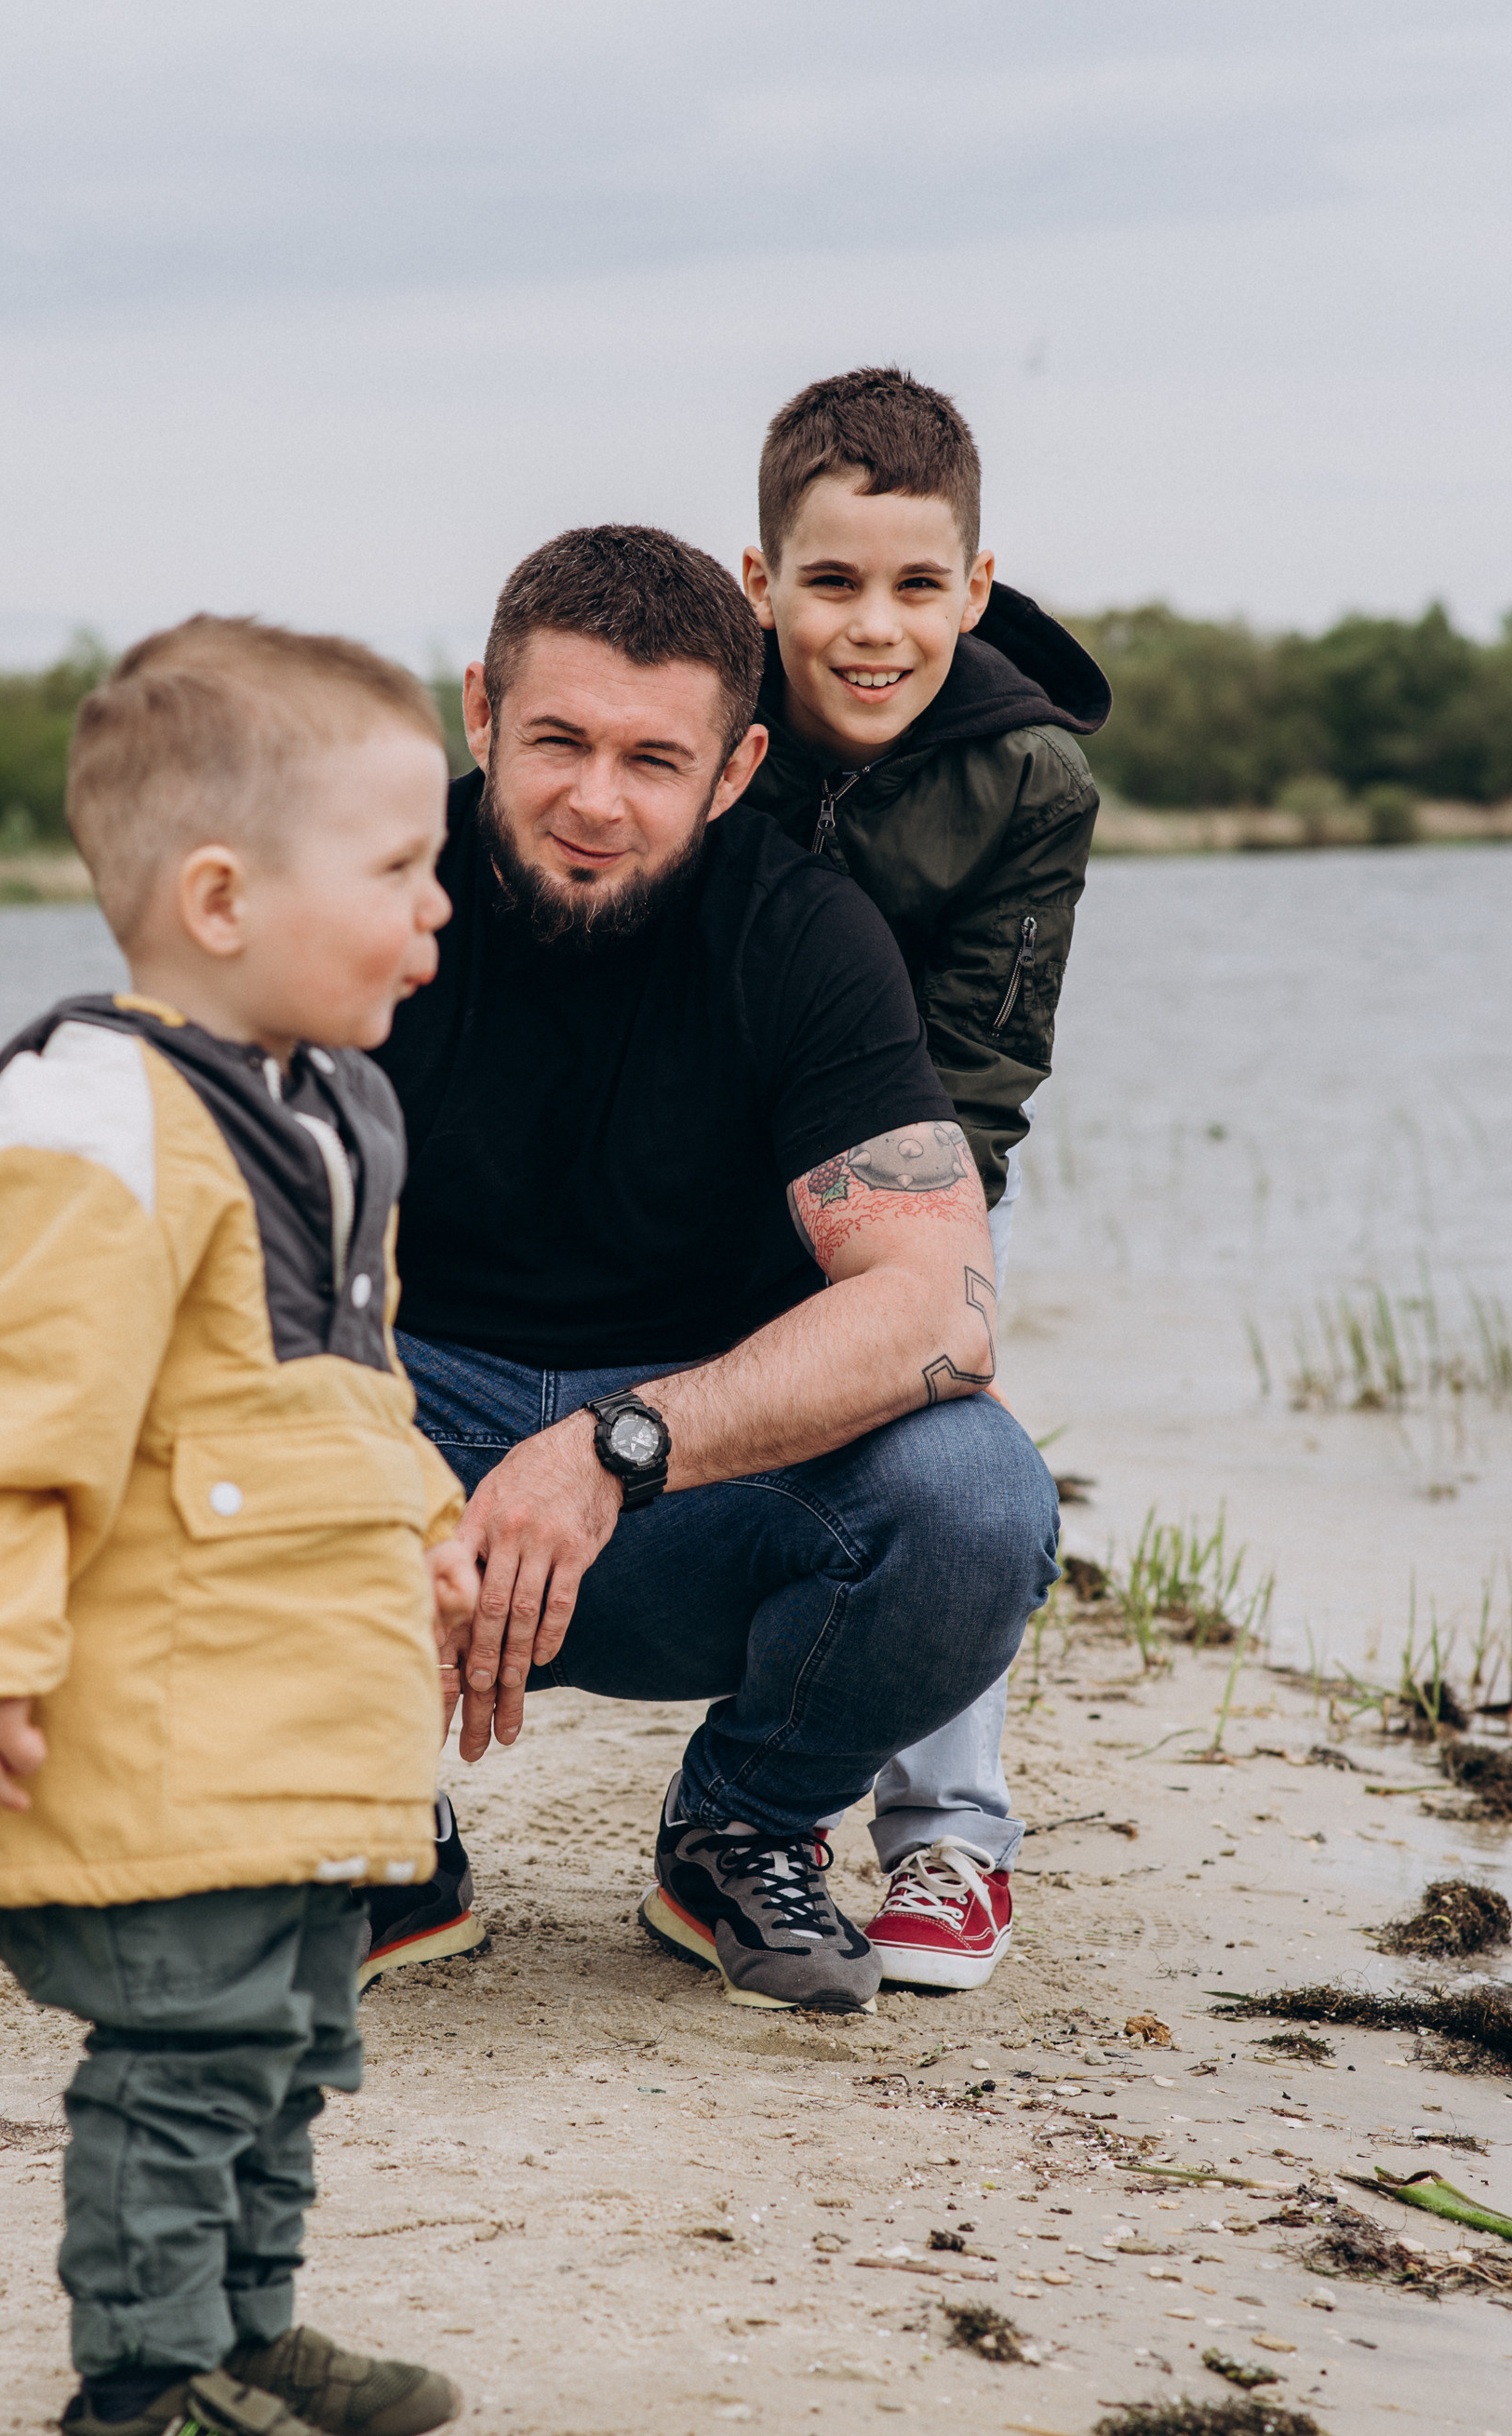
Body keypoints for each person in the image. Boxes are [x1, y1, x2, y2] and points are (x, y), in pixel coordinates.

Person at [0, 615, 479, 2436]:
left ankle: (241, 2341)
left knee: (289, 2043)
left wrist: (426, 1524)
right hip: (157, 1727)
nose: (439, 909)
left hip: (288, 1725)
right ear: (220, 898)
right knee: (190, 2052)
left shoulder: (324, 1104)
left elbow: (343, 1386)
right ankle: (135, 2406)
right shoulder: (93, 1120)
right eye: (399, 868)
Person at [363, 525, 1059, 2013]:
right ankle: (357, 1822)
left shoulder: (806, 937)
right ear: (480, 711)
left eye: (654, 760)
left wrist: (610, 1449)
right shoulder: (359, 901)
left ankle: (740, 1825)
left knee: (978, 1497)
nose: (595, 802)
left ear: (736, 770)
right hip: (404, 1459)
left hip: (685, 1497)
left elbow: (938, 1303)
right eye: (558, 741)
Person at [738, 368, 1107, 1987]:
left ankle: (951, 1835)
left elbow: (984, 1065)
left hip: (912, 1159)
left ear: (975, 583)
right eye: (831, 583)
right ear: (762, 584)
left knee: (942, 1425)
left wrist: (903, 1274)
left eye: (915, 586)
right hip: (698, 1150)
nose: (873, 628)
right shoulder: (703, 718)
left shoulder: (1031, 777)